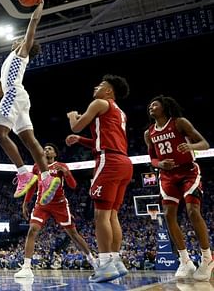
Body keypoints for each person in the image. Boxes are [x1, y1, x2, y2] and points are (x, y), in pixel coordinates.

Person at [0, 0, 60, 204]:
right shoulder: (7, 63)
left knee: (0, 135)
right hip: (17, 95)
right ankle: (46, 178)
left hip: (15, 94)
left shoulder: (21, 53)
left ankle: (23, 173)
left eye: (20, 40)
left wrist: (41, 5)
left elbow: (32, 25)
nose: (17, 40)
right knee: (29, 140)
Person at [65, 75, 132, 283]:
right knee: (112, 215)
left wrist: (73, 116)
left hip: (108, 161)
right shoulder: (119, 111)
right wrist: (81, 140)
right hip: (123, 162)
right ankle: (115, 260)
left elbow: (76, 126)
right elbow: (103, 138)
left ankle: (104, 265)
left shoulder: (99, 103)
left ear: (109, 91)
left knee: (100, 216)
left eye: (101, 85)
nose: (96, 86)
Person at [144, 95, 213, 281]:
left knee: (192, 211)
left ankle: (207, 258)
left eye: (155, 104)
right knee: (168, 215)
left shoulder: (179, 123)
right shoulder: (149, 133)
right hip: (167, 176)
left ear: (165, 106)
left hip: (188, 171)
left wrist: (190, 146)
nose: (151, 106)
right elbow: (152, 159)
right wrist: (160, 164)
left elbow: (204, 143)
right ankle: (185, 260)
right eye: (150, 105)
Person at [15, 143, 96, 278]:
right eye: (44, 148)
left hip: (59, 204)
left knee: (73, 234)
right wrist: (25, 203)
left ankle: (93, 260)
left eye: (50, 149)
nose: (46, 150)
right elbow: (32, 186)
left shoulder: (61, 166)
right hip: (42, 204)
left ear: (55, 154)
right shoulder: (36, 167)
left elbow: (73, 185)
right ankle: (26, 268)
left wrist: (66, 173)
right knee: (32, 230)